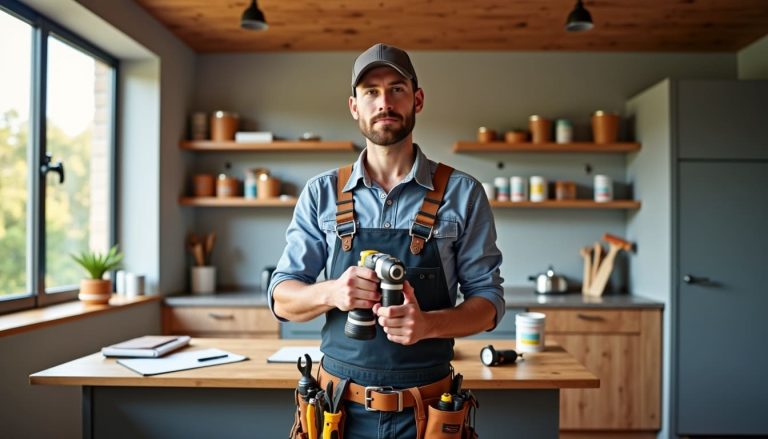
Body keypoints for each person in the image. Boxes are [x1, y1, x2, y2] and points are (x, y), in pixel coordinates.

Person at [269, 43, 505, 439]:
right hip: (337, 411)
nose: (384, 102)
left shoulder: (463, 193)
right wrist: (332, 292)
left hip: (429, 412)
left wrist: (428, 324)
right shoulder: (322, 192)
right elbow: (282, 298)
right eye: (371, 92)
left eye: (397, 89)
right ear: (354, 106)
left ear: (418, 99)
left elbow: (488, 304)